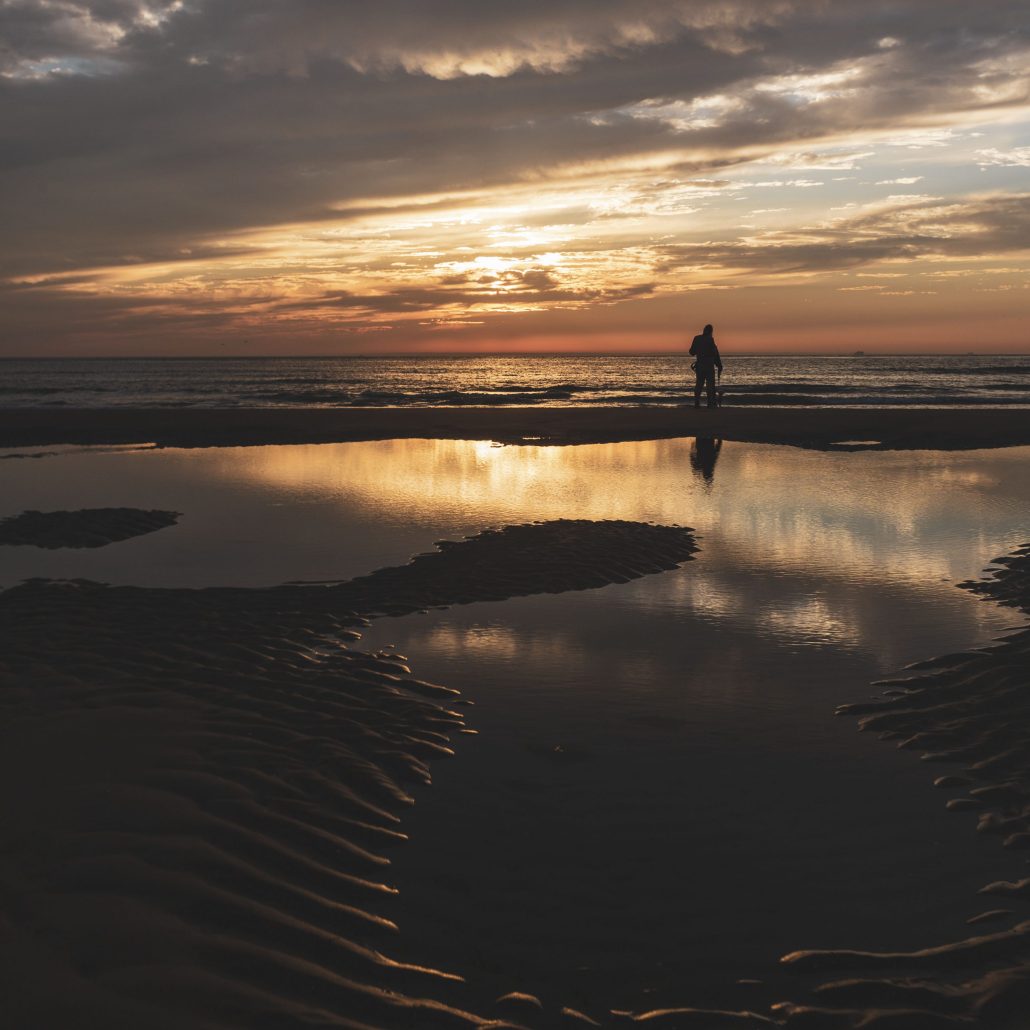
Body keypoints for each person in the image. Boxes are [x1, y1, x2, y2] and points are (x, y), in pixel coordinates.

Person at [689, 324, 722, 408]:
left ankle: (697, 402)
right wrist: (719, 365)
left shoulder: (697, 338)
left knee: (699, 384)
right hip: (709, 366)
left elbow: (691, 352)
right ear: (711, 331)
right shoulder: (710, 340)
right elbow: (715, 354)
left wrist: (699, 350)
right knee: (710, 385)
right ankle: (710, 403)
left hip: (700, 365)